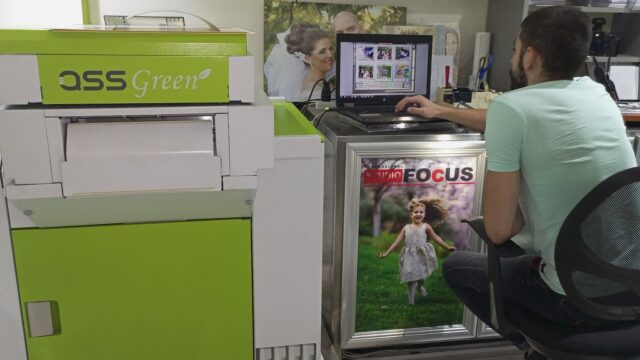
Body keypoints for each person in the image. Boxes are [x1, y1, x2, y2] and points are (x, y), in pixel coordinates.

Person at [435, 6, 636, 358]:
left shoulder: (511, 109)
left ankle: (534, 349)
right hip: (632, 289)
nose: (514, 56)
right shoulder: (598, 94)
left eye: (515, 48)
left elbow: (499, 230)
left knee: (459, 268)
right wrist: (442, 111)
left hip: (575, 302)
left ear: (529, 55)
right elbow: (516, 116)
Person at [377, 198, 455, 305]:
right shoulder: (406, 228)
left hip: (422, 255)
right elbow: (396, 242)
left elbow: (437, 238)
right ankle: (411, 302)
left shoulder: (426, 227)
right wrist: (386, 253)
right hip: (409, 255)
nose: (418, 214)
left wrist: (447, 247)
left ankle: (420, 286)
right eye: (416, 212)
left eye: (421, 212)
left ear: (424, 214)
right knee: (411, 278)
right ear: (411, 214)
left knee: (421, 277)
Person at [284, 22, 335, 102]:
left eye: (331, 49)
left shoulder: (322, 82)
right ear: (308, 59)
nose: (330, 55)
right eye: (322, 51)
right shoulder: (314, 93)